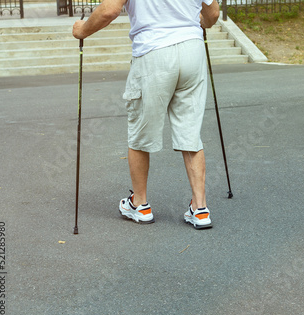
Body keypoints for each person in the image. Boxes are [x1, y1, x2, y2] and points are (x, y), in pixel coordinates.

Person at [72, 0, 220, 229]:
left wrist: (82, 30)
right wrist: (198, 21)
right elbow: (212, 14)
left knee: (142, 130)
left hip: (154, 52)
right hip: (192, 49)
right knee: (190, 130)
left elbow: (110, 10)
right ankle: (200, 208)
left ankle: (140, 204)